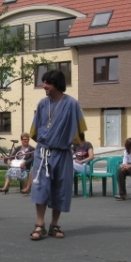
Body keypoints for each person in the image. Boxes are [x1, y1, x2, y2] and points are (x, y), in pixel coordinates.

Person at [28, 70, 87, 240]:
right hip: (43, 152)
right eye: (43, 82)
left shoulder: (72, 104)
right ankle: (40, 224)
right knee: (40, 186)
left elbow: (79, 130)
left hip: (62, 153)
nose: (44, 86)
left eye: (47, 83)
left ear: (57, 84)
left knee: (60, 188)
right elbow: (35, 128)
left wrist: (78, 144)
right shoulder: (41, 104)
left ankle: (54, 225)